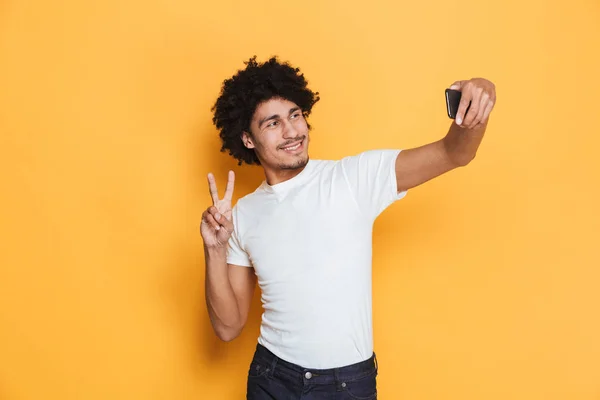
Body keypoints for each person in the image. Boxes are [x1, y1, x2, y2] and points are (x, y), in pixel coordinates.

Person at [201, 56, 496, 399]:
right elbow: (228, 327)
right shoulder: (243, 214)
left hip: (346, 385)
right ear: (248, 139)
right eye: (273, 123)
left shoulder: (353, 178)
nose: (292, 131)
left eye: (296, 115)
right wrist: (214, 250)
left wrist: (480, 95)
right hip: (273, 378)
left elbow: (453, 153)